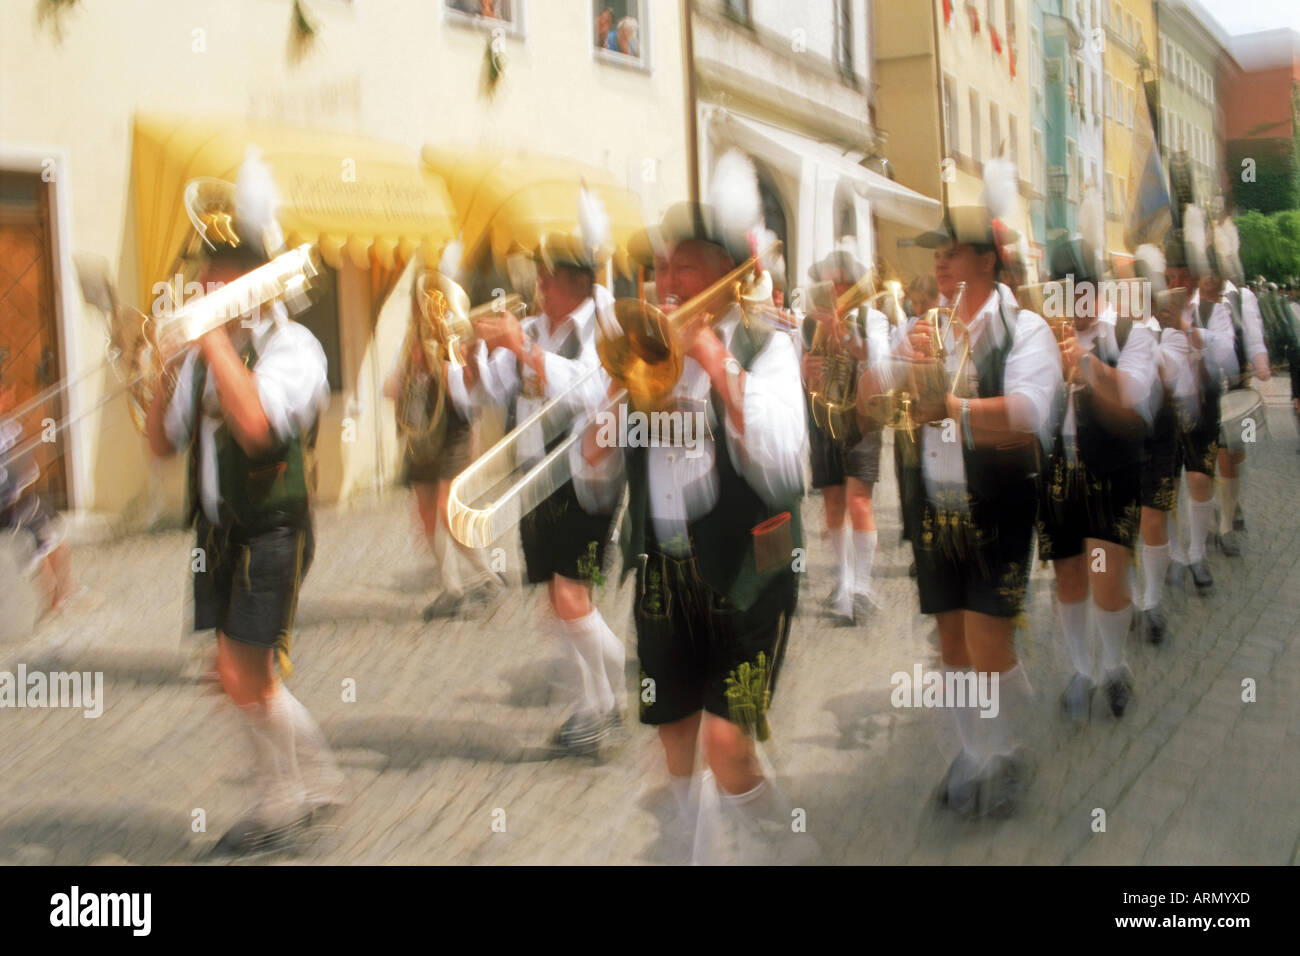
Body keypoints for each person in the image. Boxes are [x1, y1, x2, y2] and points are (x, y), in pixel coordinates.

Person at [573, 182, 809, 862]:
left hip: (749, 568)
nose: (669, 280)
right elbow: (596, 484)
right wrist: (607, 421)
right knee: (674, 738)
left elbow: (783, 464)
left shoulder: (767, 346)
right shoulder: (643, 354)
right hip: (664, 574)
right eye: (664, 266)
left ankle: (788, 852)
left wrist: (715, 361)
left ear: (731, 274)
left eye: (687, 265)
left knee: (728, 747)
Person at [145, 151, 341, 854]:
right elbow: (163, 447)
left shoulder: (298, 347)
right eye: (204, 271)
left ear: (253, 282)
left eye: (218, 275)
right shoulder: (207, 356)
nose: (203, 283)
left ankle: (281, 801)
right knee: (234, 677)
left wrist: (212, 343)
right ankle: (312, 781)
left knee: (240, 672)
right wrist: (159, 373)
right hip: (216, 530)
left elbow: (257, 429)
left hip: (273, 527)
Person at [861, 207, 1061, 819]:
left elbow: (1029, 414)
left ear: (987, 260)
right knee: (951, 639)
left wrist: (951, 407)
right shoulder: (924, 324)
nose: (939, 260)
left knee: (986, 638)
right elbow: (869, 403)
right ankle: (974, 753)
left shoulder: (1025, 330)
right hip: (935, 502)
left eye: (953, 250)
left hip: (999, 500)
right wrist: (898, 366)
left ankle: (1002, 754)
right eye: (937, 251)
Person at [446, 230, 627, 757]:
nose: (539, 283)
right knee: (560, 600)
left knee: (569, 598)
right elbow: (486, 393)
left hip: (587, 475)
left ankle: (602, 694)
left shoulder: (605, 326)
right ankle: (598, 704)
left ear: (576, 280)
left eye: (548, 274)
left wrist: (523, 348)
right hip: (535, 477)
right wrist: (475, 358)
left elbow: (590, 390)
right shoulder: (530, 327)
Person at [1036, 240, 1158, 722]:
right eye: (1062, 293)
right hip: (1057, 467)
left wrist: (1084, 363)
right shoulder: (1041, 334)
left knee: (1108, 575)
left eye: (1081, 291)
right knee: (1068, 574)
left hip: (1112, 468)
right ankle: (1082, 670)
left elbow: (1134, 395)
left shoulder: (1132, 330)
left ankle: (1114, 665)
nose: (1073, 303)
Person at [384, 270, 504, 621]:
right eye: (423, 302)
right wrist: (411, 373)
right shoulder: (412, 341)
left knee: (447, 509)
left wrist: (444, 365)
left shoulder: (459, 338)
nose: (427, 309)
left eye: (434, 301)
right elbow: (392, 389)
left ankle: (487, 576)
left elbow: (470, 400)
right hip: (422, 434)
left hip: (453, 431)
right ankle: (450, 587)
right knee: (424, 512)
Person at [801, 251, 890, 624]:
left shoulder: (874, 318)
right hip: (824, 418)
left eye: (841, 282)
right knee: (834, 505)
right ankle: (843, 581)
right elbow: (799, 376)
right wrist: (806, 369)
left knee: (859, 502)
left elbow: (883, 368)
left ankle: (862, 584)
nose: (835, 289)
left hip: (860, 416)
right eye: (828, 282)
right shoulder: (809, 323)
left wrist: (850, 339)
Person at [1210, 262, 1270, 555]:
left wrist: (1261, 362)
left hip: (1240, 388)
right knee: (1215, 455)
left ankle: (1228, 510)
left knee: (1237, 452)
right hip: (1208, 389)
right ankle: (1224, 518)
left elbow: (1254, 335)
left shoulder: (1243, 297)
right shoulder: (1193, 298)